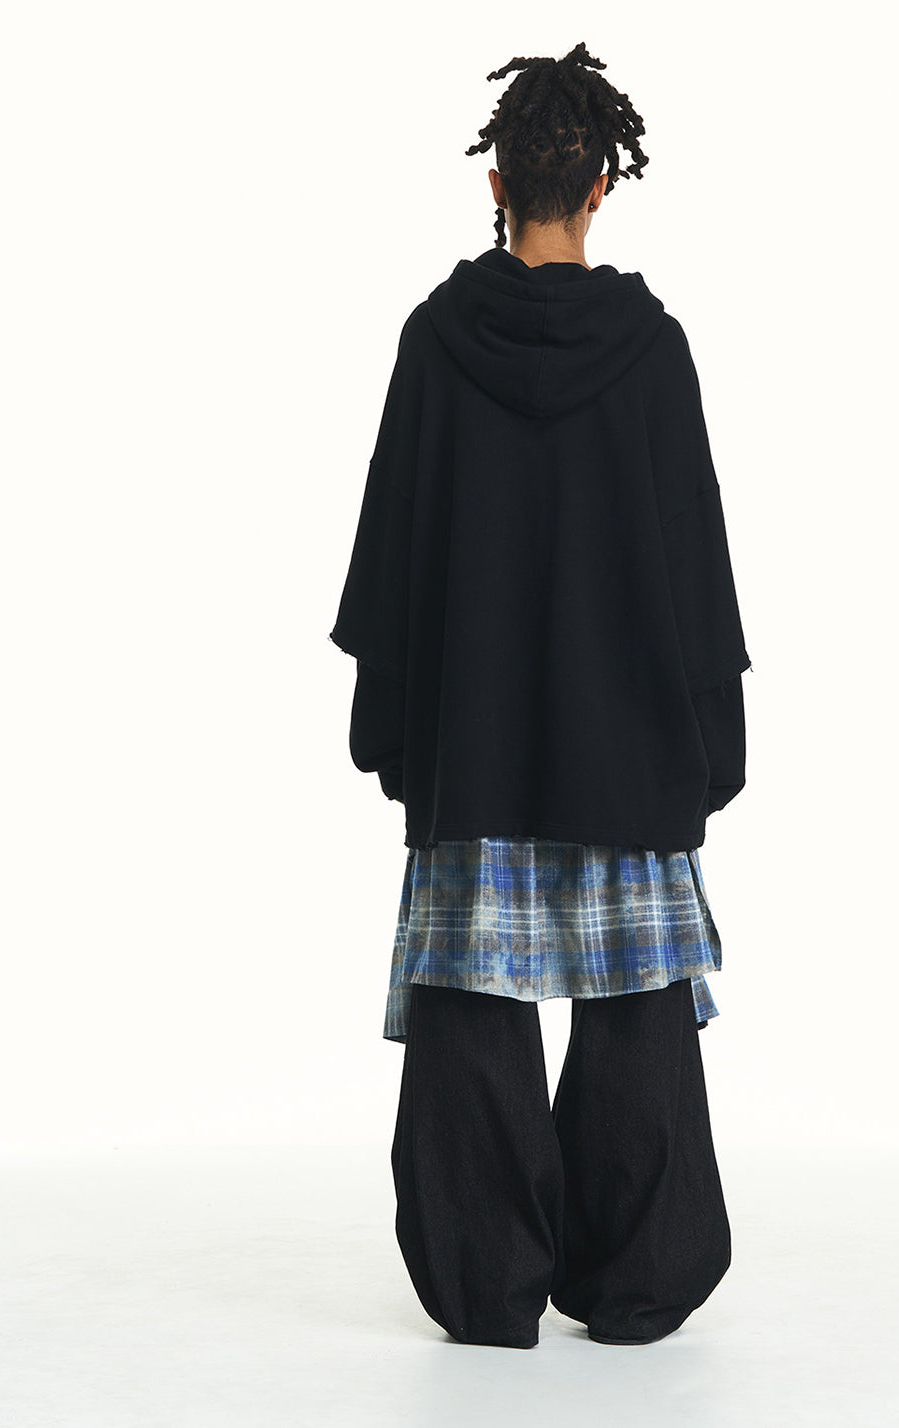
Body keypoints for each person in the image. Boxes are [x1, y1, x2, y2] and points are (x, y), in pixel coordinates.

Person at [327, 41, 753, 1350]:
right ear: (601, 187)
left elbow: (395, 558)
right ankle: (637, 1279)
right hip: (628, 751)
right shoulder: (653, 351)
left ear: (497, 181)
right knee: (638, 1016)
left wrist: (393, 735)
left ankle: (484, 1285)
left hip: (480, 747)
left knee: (471, 1011)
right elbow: (694, 565)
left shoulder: (435, 343)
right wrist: (712, 746)